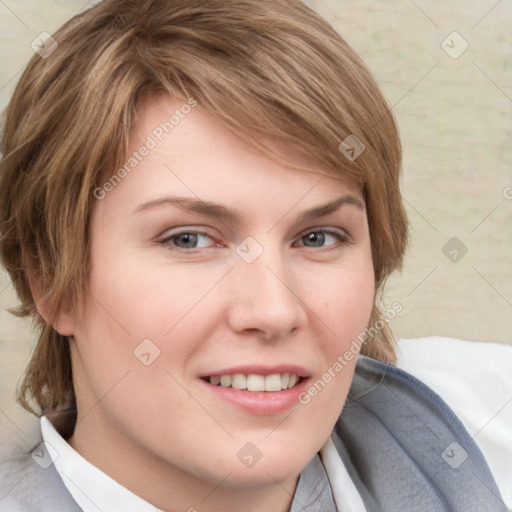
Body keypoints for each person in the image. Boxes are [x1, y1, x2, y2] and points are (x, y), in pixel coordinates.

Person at [0, 1, 508, 511]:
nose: (274, 311)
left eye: (318, 237)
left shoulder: (485, 424)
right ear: (48, 279)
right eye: (189, 240)